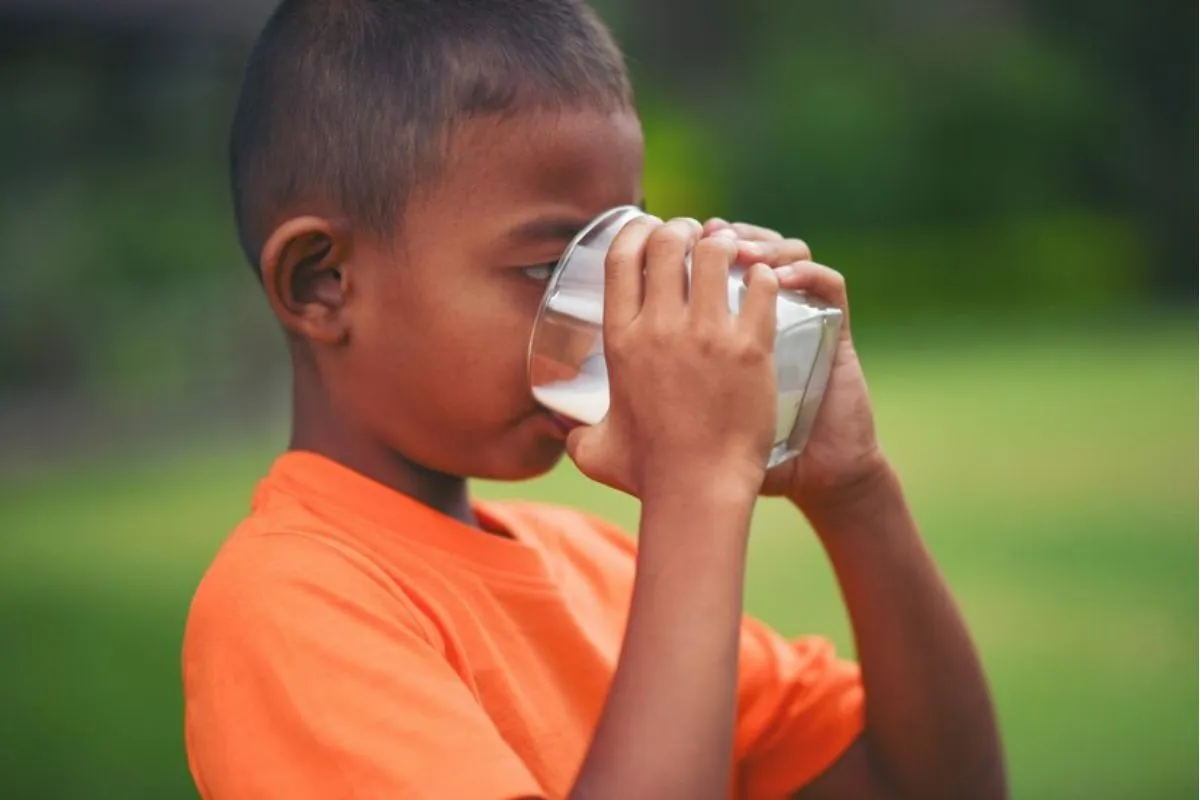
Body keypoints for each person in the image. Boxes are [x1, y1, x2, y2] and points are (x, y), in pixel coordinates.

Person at [182, 1, 1006, 798]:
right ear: (321, 282)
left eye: (616, 251)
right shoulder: (286, 604)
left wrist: (855, 491)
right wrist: (696, 488)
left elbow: (931, 786)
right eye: (548, 269)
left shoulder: (597, 569)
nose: (609, 319)